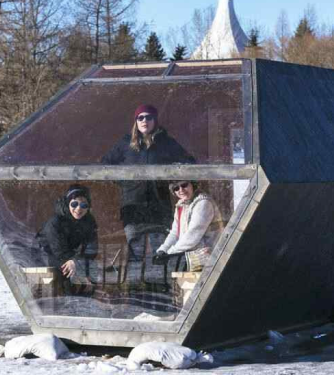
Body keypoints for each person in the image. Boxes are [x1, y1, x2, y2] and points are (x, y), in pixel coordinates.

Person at [101, 104, 195, 277]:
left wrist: (173, 181)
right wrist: (125, 182)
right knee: (135, 254)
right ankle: (138, 291)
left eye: (149, 117)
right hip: (133, 207)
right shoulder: (125, 142)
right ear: (135, 121)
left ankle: (161, 291)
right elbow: (105, 164)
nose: (145, 121)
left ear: (155, 120)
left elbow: (189, 162)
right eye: (140, 117)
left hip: (159, 207)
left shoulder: (166, 143)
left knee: (160, 253)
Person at [34, 184, 98, 291]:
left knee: (90, 269)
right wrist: (74, 261)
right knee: (68, 273)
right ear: (68, 203)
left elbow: (92, 248)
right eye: (74, 204)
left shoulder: (89, 221)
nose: (78, 209)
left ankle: (85, 299)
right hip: (45, 254)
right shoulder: (55, 222)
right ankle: (68, 298)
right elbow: (58, 250)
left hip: (69, 254)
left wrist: (77, 260)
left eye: (83, 205)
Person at [153, 181, 223, 272]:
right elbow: (175, 232)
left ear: (193, 184)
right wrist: (163, 250)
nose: (181, 190)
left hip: (209, 257)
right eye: (176, 188)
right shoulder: (182, 204)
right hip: (192, 257)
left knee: (198, 284)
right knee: (184, 282)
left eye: (184, 185)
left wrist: (170, 253)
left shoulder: (203, 203)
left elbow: (193, 235)